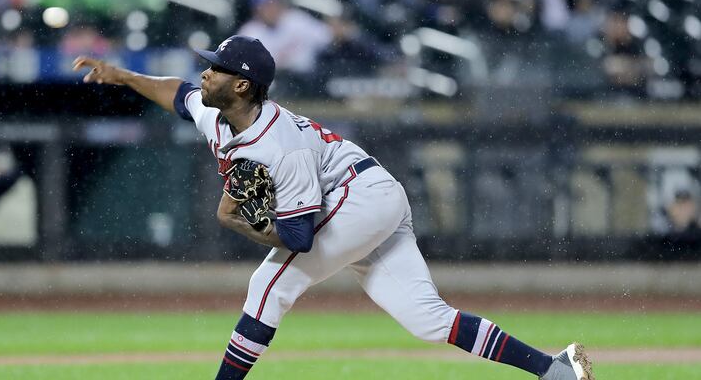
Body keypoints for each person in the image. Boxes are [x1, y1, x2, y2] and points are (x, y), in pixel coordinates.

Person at [72, 35, 594, 380]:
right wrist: (122, 76)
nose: (204, 74)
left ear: (242, 84)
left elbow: (298, 239)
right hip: (367, 199)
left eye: (216, 69)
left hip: (357, 198)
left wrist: (243, 221)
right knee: (427, 320)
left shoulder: (279, 147)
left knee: (269, 285)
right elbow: (177, 93)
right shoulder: (219, 114)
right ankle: (554, 370)